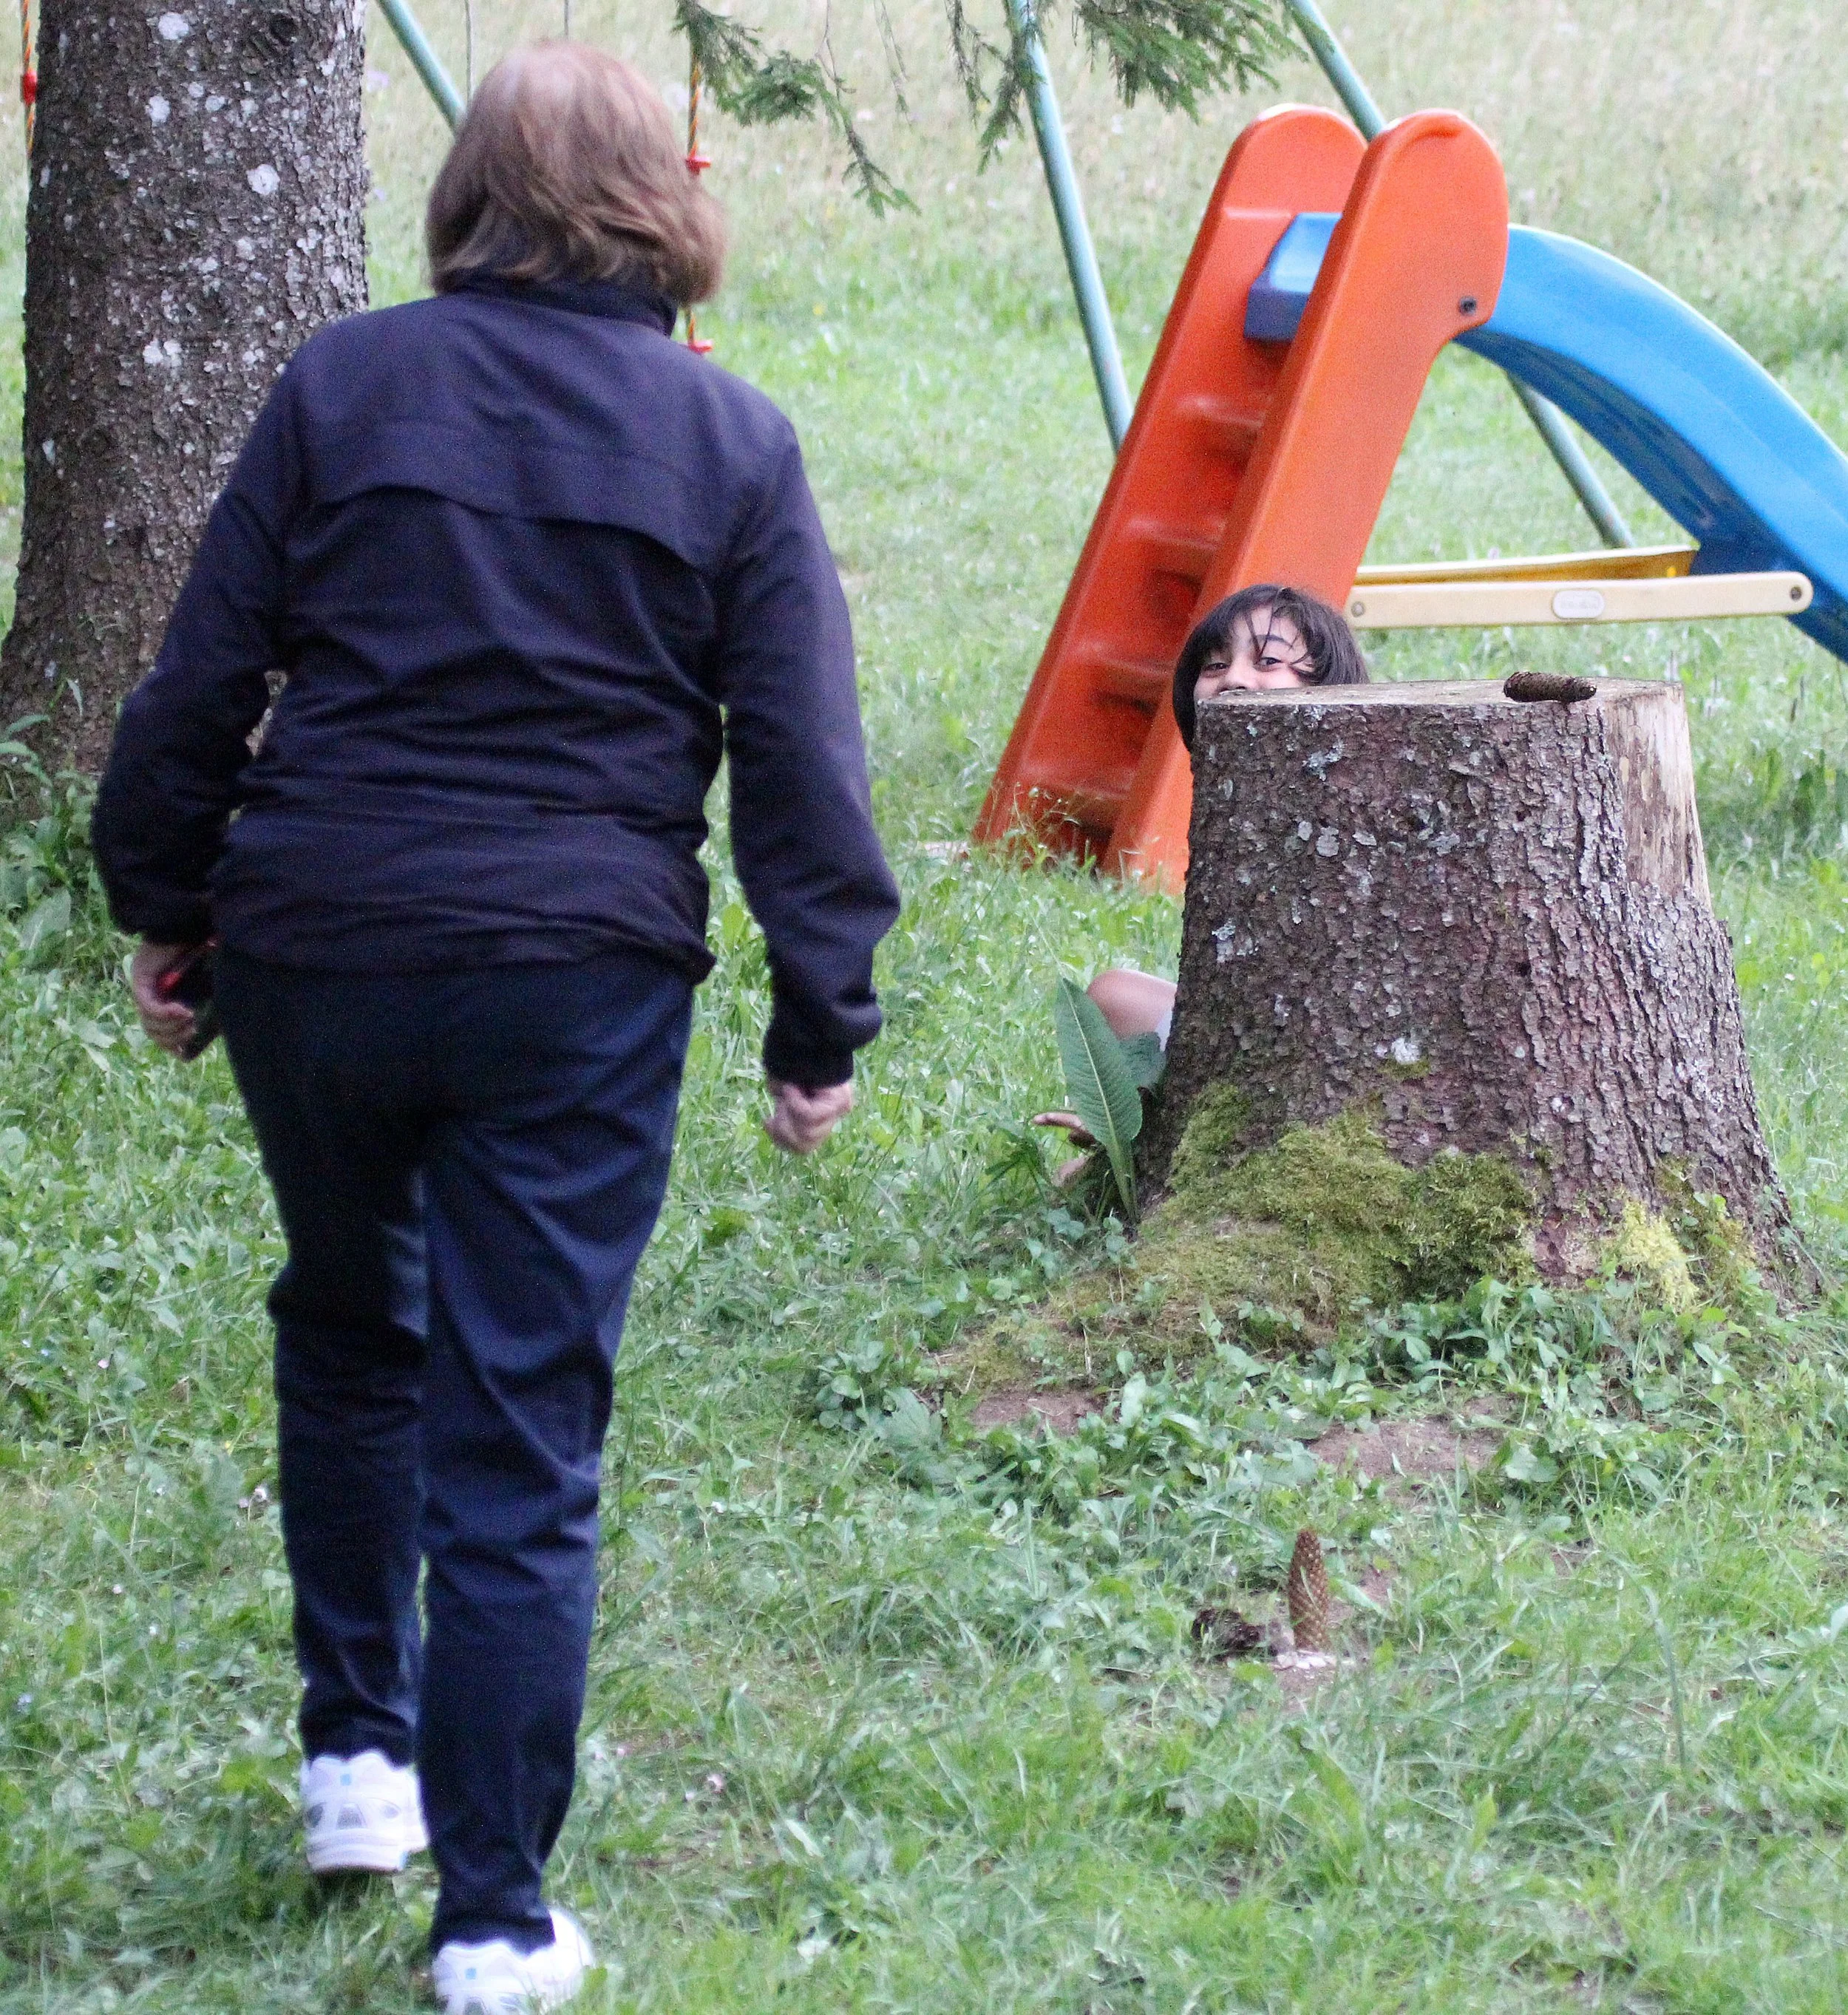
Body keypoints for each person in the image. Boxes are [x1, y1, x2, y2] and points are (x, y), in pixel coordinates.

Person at [89, 42, 898, 2014]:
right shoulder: (730, 443)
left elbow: (198, 684)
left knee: (353, 1322)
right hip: (571, 977)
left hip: (319, 945)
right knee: (518, 1429)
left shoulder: (341, 384)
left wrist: (167, 903)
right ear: (663, 203)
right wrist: (821, 1016)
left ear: (466, 197)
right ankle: (491, 1917)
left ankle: (358, 1760)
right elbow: (796, 760)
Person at [1087, 584, 1368, 1047]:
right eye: (1215, 665)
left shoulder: (1352, 810)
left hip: (1327, 1041)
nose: (1233, 678)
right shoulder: (1226, 810)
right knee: (1111, 997)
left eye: (1268, 661)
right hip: (1233, 1031)